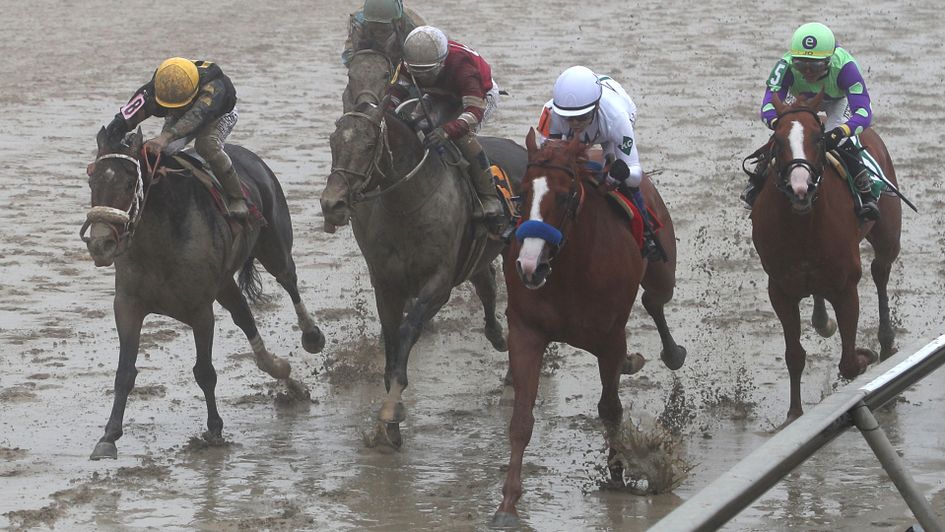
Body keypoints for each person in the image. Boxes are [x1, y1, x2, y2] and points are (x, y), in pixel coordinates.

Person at [745, 22, 881, 221]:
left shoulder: (846, 67)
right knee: (787, 136)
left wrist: (840, 132)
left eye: (815, 66)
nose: (807, 72)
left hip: (837, 101)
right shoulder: (785, 65)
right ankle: (756, 182)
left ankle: (865, 191)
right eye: (801, 65)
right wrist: (777, 124)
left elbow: (863, 112)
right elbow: (767, 106)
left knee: (839, 140)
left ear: (829, 60)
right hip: (802, 100)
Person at [536, 65, 662, 261]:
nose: (575, 123)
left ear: (595, 107)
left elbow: (635, 174)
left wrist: (614, 176)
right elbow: (546, 160)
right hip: (587, 126)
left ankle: (647, 232)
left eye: (581, 117)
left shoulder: (617, 118)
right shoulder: (551, 113)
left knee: (620, 175)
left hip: (611, 128)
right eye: (569, 118)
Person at [104, 57, 247, 218]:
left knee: (206, 145)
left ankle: (237, 197)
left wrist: (164, 137)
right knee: (166, 151)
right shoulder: (156, 87)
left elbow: (196, 116)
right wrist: (109, 143)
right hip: (181, 114)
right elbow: (125, 117)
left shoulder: (215, 89)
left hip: (219, 114)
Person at [389, 25, 504, 226]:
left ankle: (489, 196)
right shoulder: (410, 64)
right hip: (439, 92)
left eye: (427, 73)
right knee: (417, 123)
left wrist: (448, 130)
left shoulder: (463, 68)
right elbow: (395, 94)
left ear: (442, 63)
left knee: (461, 136)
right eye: (418, 73)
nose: (422, 78)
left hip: (478, 96)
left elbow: (474, 112)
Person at [341, 0, 426, 67]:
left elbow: (423, 61)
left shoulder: (416, 28)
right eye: (374, 28)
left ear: (397, 22)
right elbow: (348, 59)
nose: (378, 32)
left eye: (383, 29)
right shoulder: (358, 23)